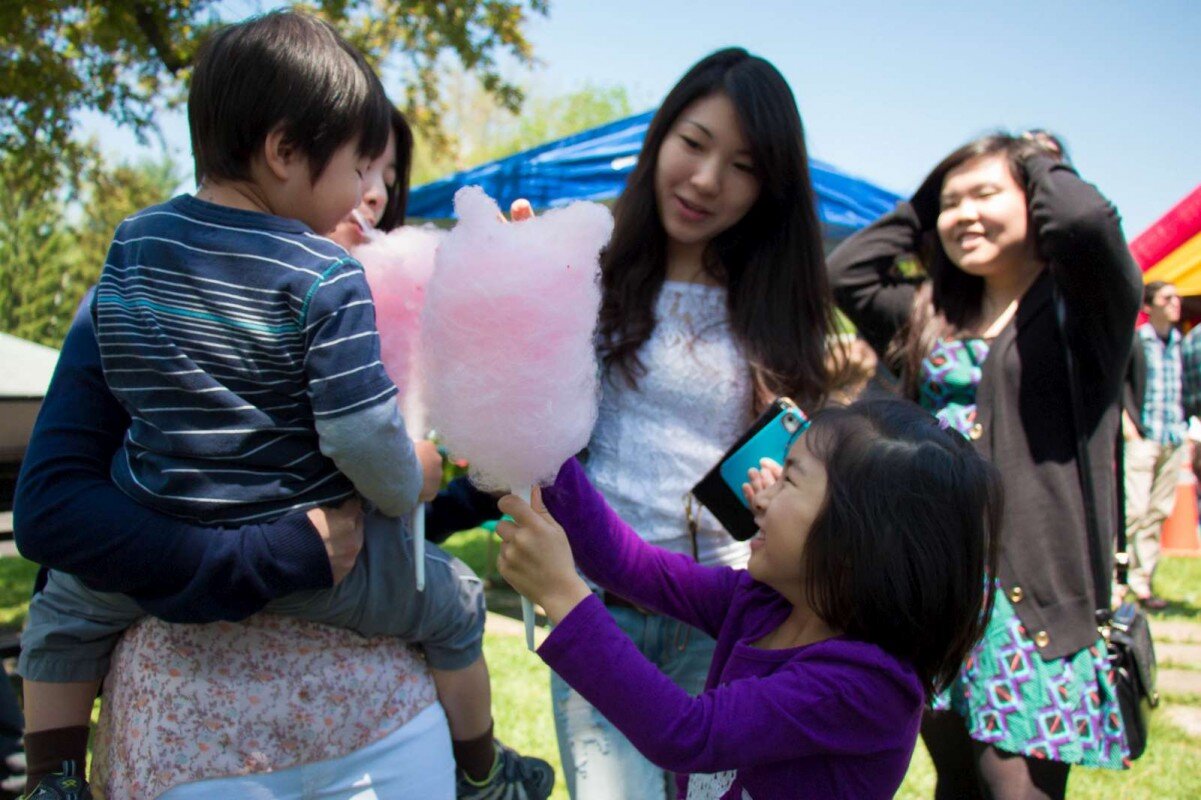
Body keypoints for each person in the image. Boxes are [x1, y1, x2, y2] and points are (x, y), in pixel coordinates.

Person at [14, 12, 550, 799]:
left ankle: (47, 778)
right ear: (286, 153)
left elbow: (445, 504)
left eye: (387, 178)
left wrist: (496, 322)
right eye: (358, 168)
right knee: (453, 600)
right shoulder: (307, 289)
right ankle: (486, 774)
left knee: (63, 616)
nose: (370, 196)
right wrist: (269, 554)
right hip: (197, 748)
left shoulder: (138, 248)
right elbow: (53, 508)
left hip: (385, 737)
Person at [525, 47, 837, 800]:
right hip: (595, 600)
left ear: (770, 187)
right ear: (660, 136)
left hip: (723, 613)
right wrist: (521, 298)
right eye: (693, 143)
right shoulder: (583, 264)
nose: (705, 180)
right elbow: (528, 418)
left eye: (742, 164)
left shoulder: (777, 301)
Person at [828, 133, 1141, 798]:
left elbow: (1085, 223)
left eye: (985, 194)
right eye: (950, 203)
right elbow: (847, 270)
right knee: (953, 780)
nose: (964, 214)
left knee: (1014, 787)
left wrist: (1034, 158)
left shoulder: (1081, 309)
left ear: (1032, 199)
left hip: (1032, 597)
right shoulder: (931, 314)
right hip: (937, 585)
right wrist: (930, 198)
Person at [493, 398, 999, 800]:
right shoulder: (765, 603)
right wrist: (545, 441)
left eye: (790, 478)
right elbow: (629, 565)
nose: (763, 490)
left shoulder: (864, 685)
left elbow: (685, 733)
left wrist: (563, 594)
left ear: (851, 539)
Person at [1123, 281, 1188, 610]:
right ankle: (1112, 581)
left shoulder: (1180, 343)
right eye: (1168, 298)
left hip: (1173, 437)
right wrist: (1129, 425)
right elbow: (1119, 383)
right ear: (1149, 306)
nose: (1176, 303)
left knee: (1158, 511)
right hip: (1143, 437)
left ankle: (1142, 584)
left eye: (1177, 297)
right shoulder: (1136, 341)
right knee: (1134, 509)